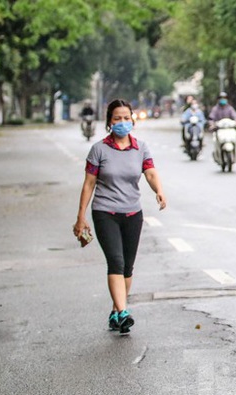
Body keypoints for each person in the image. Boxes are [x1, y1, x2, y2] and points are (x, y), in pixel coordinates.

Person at [73, 98, 167, 334]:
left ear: (132, 120)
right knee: (115, 261)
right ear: (109, 122)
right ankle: (124, 312)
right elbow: (89, 184)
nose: (122, 122)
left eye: (126, 118)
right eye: (117, 118)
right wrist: (81, 216)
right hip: (105, 212)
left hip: (133, 213)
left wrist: (159, 191)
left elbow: (150, 172)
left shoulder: (140, 147)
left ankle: (116, 310)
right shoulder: (99, 150)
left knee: (127, 267)